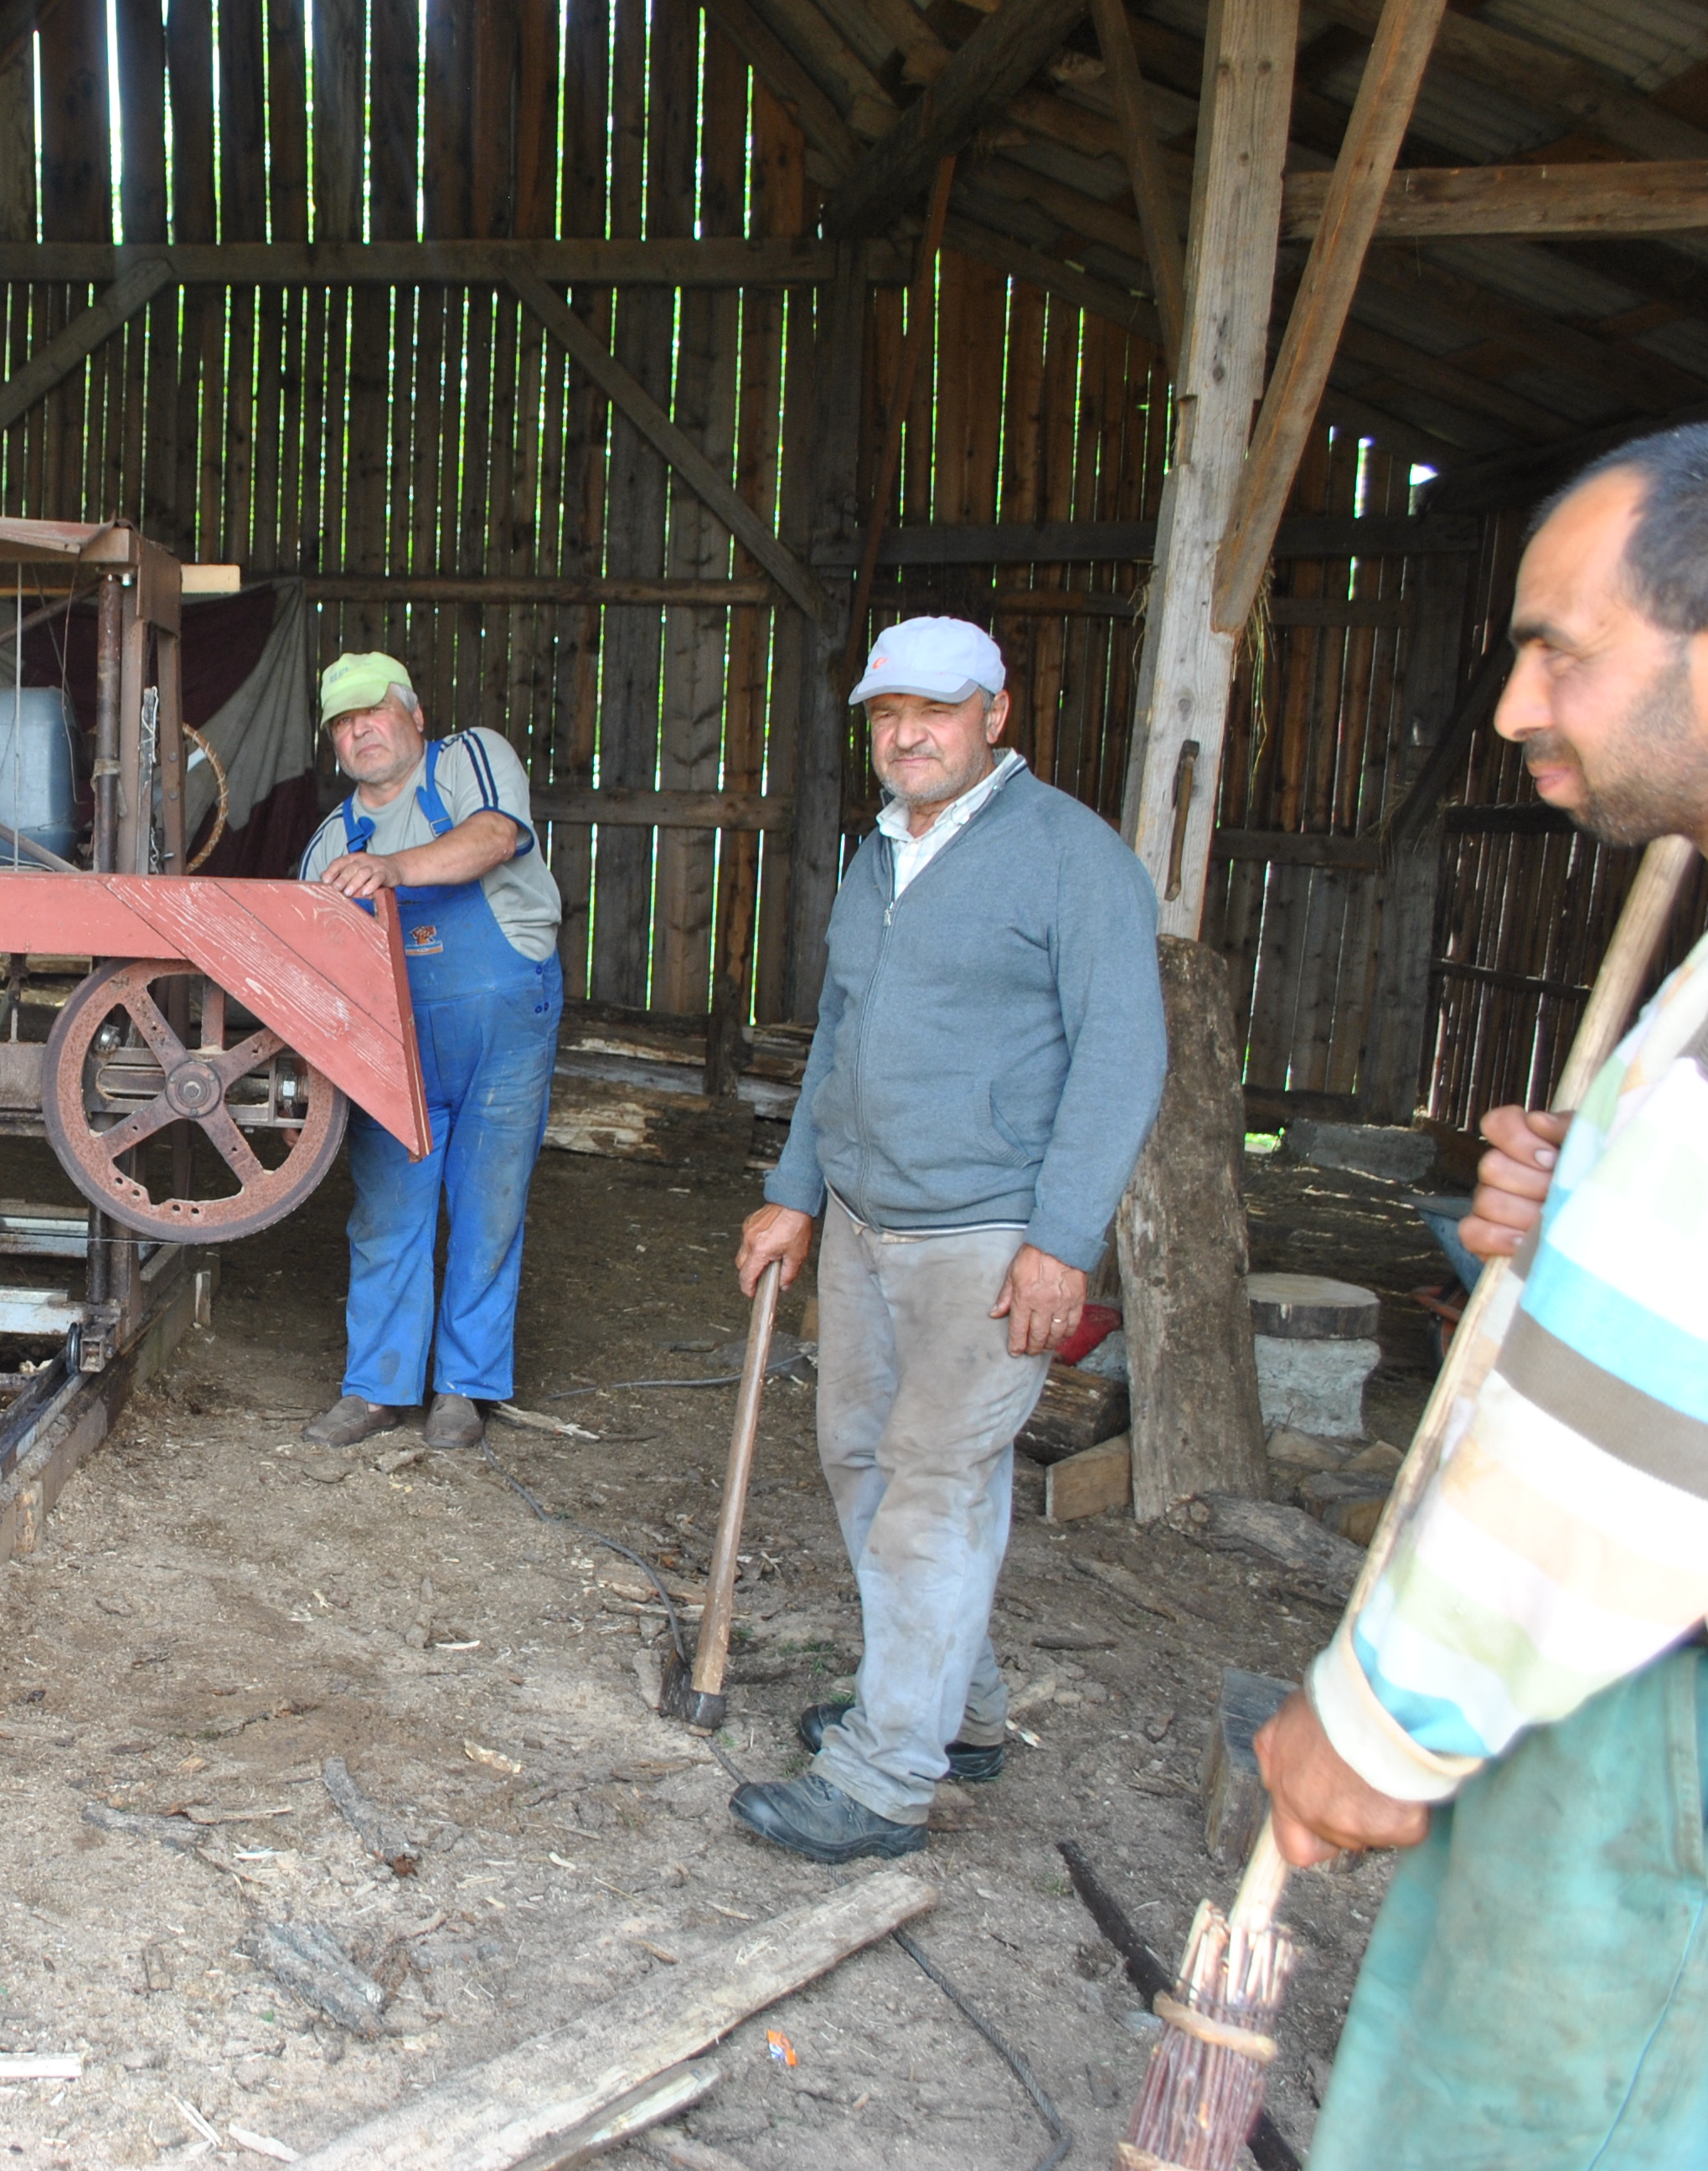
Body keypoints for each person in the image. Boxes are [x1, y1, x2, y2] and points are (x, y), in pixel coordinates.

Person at [1251, 425, 1708, 2166]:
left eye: (1557, 649)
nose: (1514, 704)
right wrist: (1587, 1203)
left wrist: (1381, 1716)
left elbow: (1623, 1453)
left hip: (1649, 1718)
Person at [727, 616, 1165, 1863]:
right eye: (886, 715)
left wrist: (1061, 1241)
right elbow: (840, 1035)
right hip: (866, 1222)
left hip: (989, 1234)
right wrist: (796, 1189)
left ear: (995, 715)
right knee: (861, 1462)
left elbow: (1123, 1056)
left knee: (932, 1489)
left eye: (934, 711)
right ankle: (952, 1712)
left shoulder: (1071, 858)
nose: (907, 735)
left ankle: (881, 1781)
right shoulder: (882, 855)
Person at [293, 652, 564, 1455]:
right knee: (387, 1211)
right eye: (343, 722)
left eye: (374, 711)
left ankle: (464, 1388)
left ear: (414, 715)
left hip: (501, 1024)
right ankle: (376, 1388)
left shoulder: (468, 761)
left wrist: (391, 871)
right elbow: (315, 961)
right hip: (394, 1047)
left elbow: (495, 838)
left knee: (490, 1202)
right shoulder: (329, 843)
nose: (361, 731)